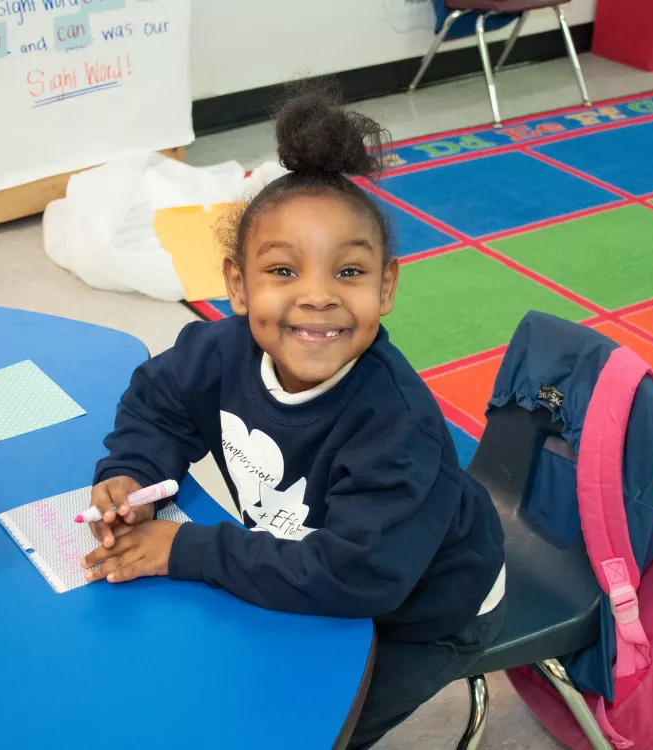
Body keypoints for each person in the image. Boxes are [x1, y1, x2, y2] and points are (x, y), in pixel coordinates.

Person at [83, 87, 506, 748]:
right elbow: (159, 404)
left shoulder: (396, 426)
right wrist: (131, 470)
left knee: (297, 730)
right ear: (238, 285)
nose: (317, 296)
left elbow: (356, 576)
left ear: (385, 287)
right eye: (283, 270)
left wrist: (189, 549)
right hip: (315, 563)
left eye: (348, 272)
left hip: (422, 609)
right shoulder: (221, 352)